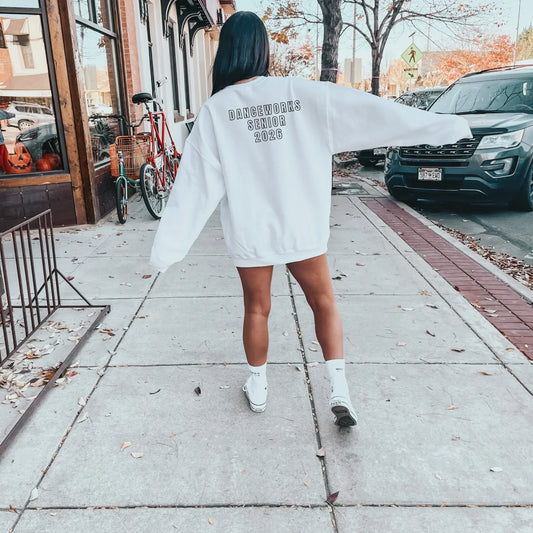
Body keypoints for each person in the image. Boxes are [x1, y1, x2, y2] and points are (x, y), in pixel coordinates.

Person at [150, 11, 471, 426]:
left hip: (251, 228)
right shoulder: (302, 93)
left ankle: (258, 386)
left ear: (225, 52)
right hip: (302, 223)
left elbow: (193, 186)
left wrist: (167, 249)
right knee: (323, 302)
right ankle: (339, 388)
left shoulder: (216, 111)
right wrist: (440, 126)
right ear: (263, 49)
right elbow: (371, 112)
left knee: (256, 308)